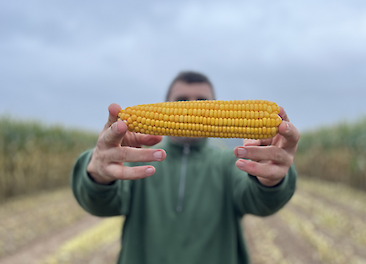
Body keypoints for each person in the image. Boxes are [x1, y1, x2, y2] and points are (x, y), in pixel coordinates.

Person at [71, 71, 299, 264]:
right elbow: (100, 203)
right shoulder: (137, 159)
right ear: (164, 105)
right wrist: (97, 174)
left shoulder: (230, 163)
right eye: (181, 100)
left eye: (202, 102)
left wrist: (272, 179)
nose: (191, 107)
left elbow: (259, 201)